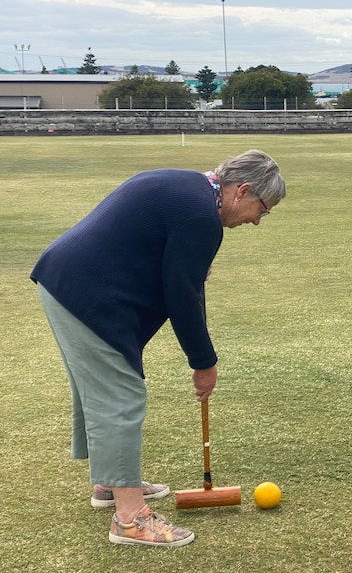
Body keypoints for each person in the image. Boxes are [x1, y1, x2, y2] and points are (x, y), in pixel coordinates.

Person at [31, 149, 285, 547]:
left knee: (99, 391)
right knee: (119, 395)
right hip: (87, 295)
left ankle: (109, 484)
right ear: (244, 190)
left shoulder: (190, 189)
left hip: (67, 281)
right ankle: (130, 519)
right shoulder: (201, 215)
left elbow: (174, 270)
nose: (256, 220)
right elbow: (183, 296)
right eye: (262, 209)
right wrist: (204, 363)